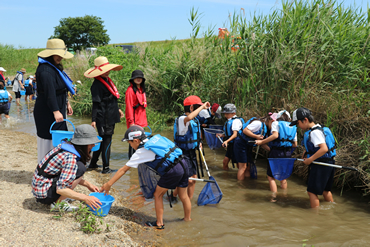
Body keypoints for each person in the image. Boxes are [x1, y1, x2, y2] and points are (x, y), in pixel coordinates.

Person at [100, 126, 192, 230]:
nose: (130, 145)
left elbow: (123, 170)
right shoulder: (152, 139)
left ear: (136, 140)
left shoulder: (141, 151)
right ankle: (187, 220)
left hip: (173, 170)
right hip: (183, 163)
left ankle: (159, 223)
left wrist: (108, 184)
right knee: (184, 195)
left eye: (129, 143)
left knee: (158, 195)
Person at [31, 124, 102, 211]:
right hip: (44, 194)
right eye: (92, 143)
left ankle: (61, 198)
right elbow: (61, 189)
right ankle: (58, 204)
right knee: (80, 168)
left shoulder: (65, 145)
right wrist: (85, 198)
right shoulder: (71, 158)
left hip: (39, 187)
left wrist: (88, 184)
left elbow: (66, 174)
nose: (93, 146)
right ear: (84, 144)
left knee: (79, 168)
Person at [34, 39, 75, 163]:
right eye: (58, 55)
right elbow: (49, 92)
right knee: (48, 139)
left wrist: (67, 103)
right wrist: (56, 111)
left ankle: (55, 167)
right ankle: (45, 168)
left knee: (59, 137)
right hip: (47, 110)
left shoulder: (55, 68)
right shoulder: (46, 70)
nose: (60, 58)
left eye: (61, 55)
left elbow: (61, 89)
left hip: (57, 106)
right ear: (50, 54)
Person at [84, 56, 124, 174]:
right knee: (107, 141)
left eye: (108, 69)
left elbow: (111, 99)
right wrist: (94, 120)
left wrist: (118, 110)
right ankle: (106, 168)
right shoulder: (97, 85)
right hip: (104, 117)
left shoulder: (107, 81)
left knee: (102, 141)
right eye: (104, 70)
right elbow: (96, 104)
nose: (107, 72)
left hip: (111, 115)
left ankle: (92, 164)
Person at [289, 107, 336, 208]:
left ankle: (314, 215)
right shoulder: (319, 128)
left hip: (320, 164)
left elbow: (324, 148)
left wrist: (310, 159)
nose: (298, 126)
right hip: (329, 163)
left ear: (305, 120)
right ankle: (332, 207)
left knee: (311, 192)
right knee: (325, 190)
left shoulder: (314, 132)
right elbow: (318, 146)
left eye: (298, 123)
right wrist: (307, 152)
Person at [173, 96, 210, 200]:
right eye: (198, 107)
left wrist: (200, 143)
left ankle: (187, 199)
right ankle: (179, 197)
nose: (200, 110)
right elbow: (188, 118)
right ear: (192, 107)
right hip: (183, 153)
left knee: (193, 178)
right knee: (188, 179)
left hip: (192, 152)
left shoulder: (195, 121)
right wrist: (202, 106)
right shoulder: (181, 119)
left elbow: (197, 134)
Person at [255, 110, 297, 196]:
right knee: (283, 176)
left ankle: (274, 197)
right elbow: (295, 144)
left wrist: (261, 142)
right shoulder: (293, 127)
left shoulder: (276, 123)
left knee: (271, 176)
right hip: (287, 153)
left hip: (276, 152)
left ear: (278, 117)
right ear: (289, 118)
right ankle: (284, 195)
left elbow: (275, 135)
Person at [234, 114, 275, 180]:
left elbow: (261, 143)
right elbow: (245, 130)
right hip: (240, 143)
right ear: (270, 121)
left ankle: (247, 183)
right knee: (243, 167)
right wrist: (256, 136)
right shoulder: (258, 123)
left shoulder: (266, 129)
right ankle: (240, 187)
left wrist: (271, 150)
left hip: (248, 145)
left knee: (248, 166)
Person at [125, 70, 148, 158]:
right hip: (134, 121)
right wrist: (131, 122)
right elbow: (129, 107)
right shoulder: (130, 90)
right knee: (133, 141)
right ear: (133, 79)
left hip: (141, 120)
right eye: (136, 78)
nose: (138, 79)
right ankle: (132, 161)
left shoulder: (141, 90)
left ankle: (138, 160)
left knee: (140, 141)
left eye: (140, 78)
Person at [217, 104, 244, 170]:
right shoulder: (229, 121)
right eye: (225, 113)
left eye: (227, 113)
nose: (225, 115)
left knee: (238, 164)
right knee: (225, 162)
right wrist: (222, 135)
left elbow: (235, 134)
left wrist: (226, 141)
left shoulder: (236, 121)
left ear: (233, 113)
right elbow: (230, 134)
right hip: (231, 144)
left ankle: (240, 178)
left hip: (237, 144)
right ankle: (226, 177)